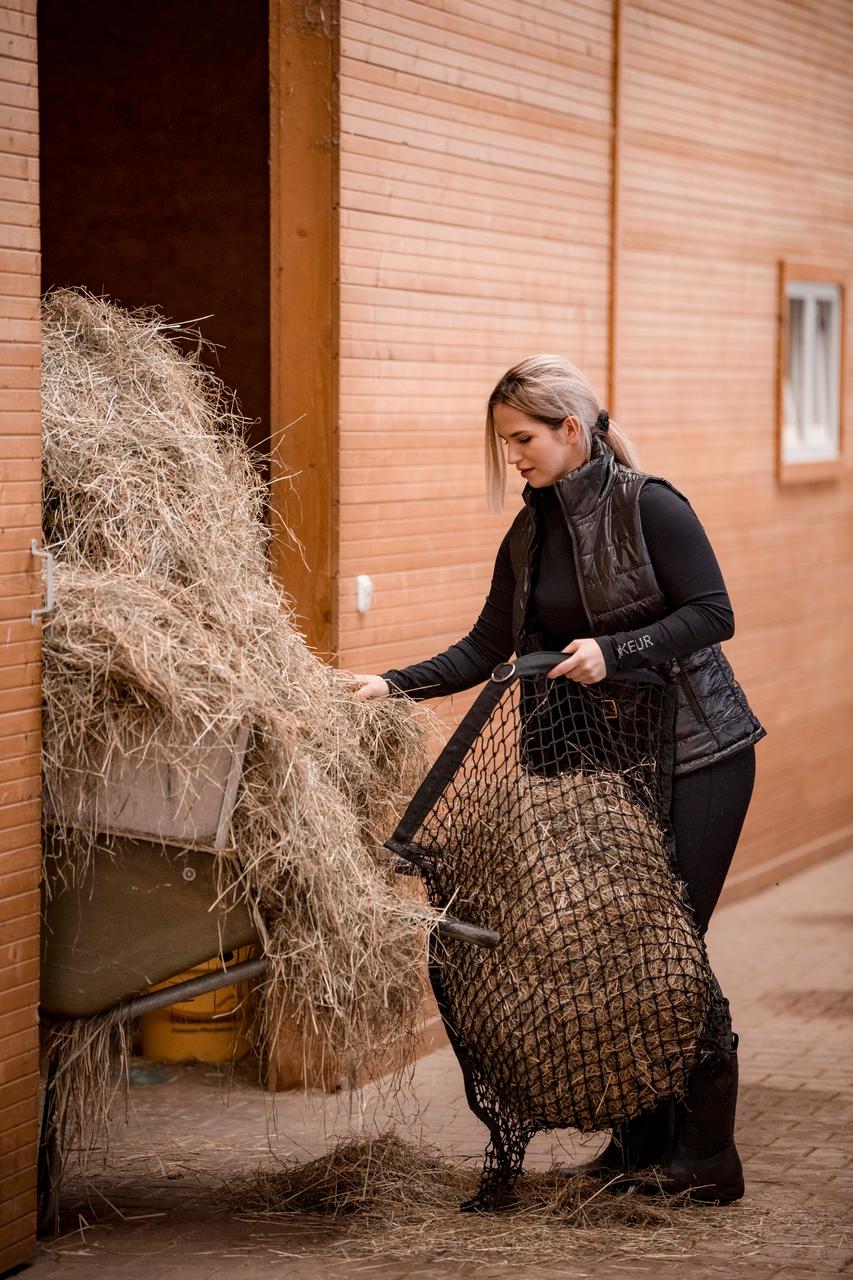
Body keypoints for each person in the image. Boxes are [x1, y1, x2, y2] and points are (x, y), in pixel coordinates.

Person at [356, 354, 765, 1203]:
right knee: (616, 954)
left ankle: (705, 1157)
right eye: (506, 443)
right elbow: (484, 649)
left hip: (699, 756)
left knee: (667, 954)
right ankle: (638, 1147)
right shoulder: (531, 531)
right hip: (603, 771)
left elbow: (711, 614)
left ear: (570, 429)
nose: (515, 457)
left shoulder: (650, 504)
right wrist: (388, 683)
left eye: (522, 439)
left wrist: (615, 650)